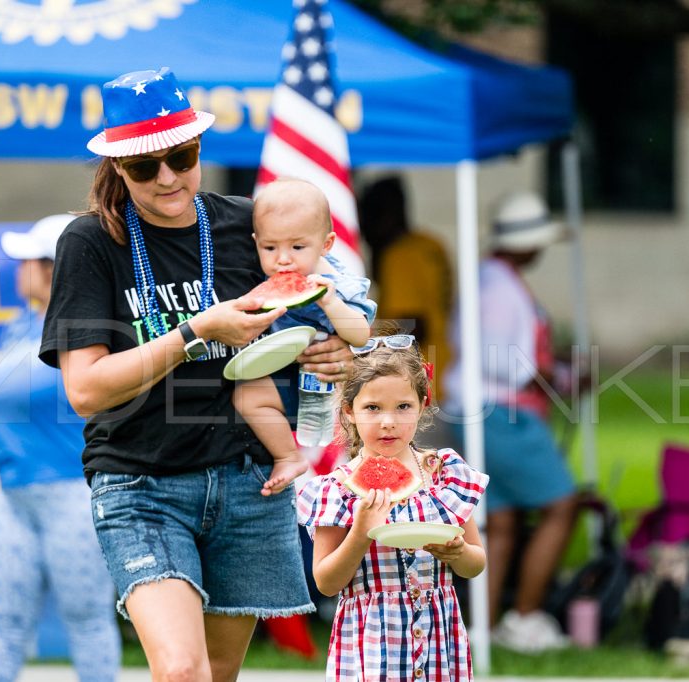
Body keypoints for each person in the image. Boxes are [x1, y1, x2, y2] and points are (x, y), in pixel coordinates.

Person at [39, 67, 352, 681]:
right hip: (141, 482)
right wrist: (193, 334)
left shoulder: (252, 227)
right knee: (182, 670)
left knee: (217, 672)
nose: (167, 178)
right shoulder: (91, 241)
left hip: (249, 481)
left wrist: (336, 351)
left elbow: (326, 309)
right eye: (143, 166)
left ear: (198, 146)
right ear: (117, 166)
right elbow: (85, 389)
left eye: (181, 157)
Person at [297, 326, 489, 680]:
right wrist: (360, 534)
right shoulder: (337, 489)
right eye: (372, 408)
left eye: (403, 407)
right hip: (371, 647)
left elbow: (476, 564)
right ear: (349, 411)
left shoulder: (443, 473)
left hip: (438, 643)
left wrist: (458, 552)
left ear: (423, 405)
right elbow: (325, 582)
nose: (388, 422)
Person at [0, 214, 120, 681]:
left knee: (87, 617)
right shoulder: (19, 326)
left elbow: (0, 389)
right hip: (13, 492)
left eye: (29, 261)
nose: (20, 271)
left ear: (55, 270)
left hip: (71, 491)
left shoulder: (87, 331)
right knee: (4, 620)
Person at [444, 191, 580, 653]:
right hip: (502, 413)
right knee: (562, 504)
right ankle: (524, 616)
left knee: (499, 521)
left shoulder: (488, 278)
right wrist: (562, 376)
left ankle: (481, 627)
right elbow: (505, 363)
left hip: (474, 409)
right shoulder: (500, 289)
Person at [235, 177, 375, 495]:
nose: (283, 259)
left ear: (326, 244)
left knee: (250, 398)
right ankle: (289, 454)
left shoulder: (338, 283)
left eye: (297, 247)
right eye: (270, 247)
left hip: (320, 385)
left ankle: (291, 457)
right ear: (256, 242)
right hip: (281, 375)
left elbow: (360, 334)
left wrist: (330, 302)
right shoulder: (262, 279)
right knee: (246, 396)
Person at [358, 176, 453, 399]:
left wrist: (363, 342)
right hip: (442, 369)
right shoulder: (430, 244)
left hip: (414, 381)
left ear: (384, 217)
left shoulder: (399, 257)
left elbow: (413, 327)